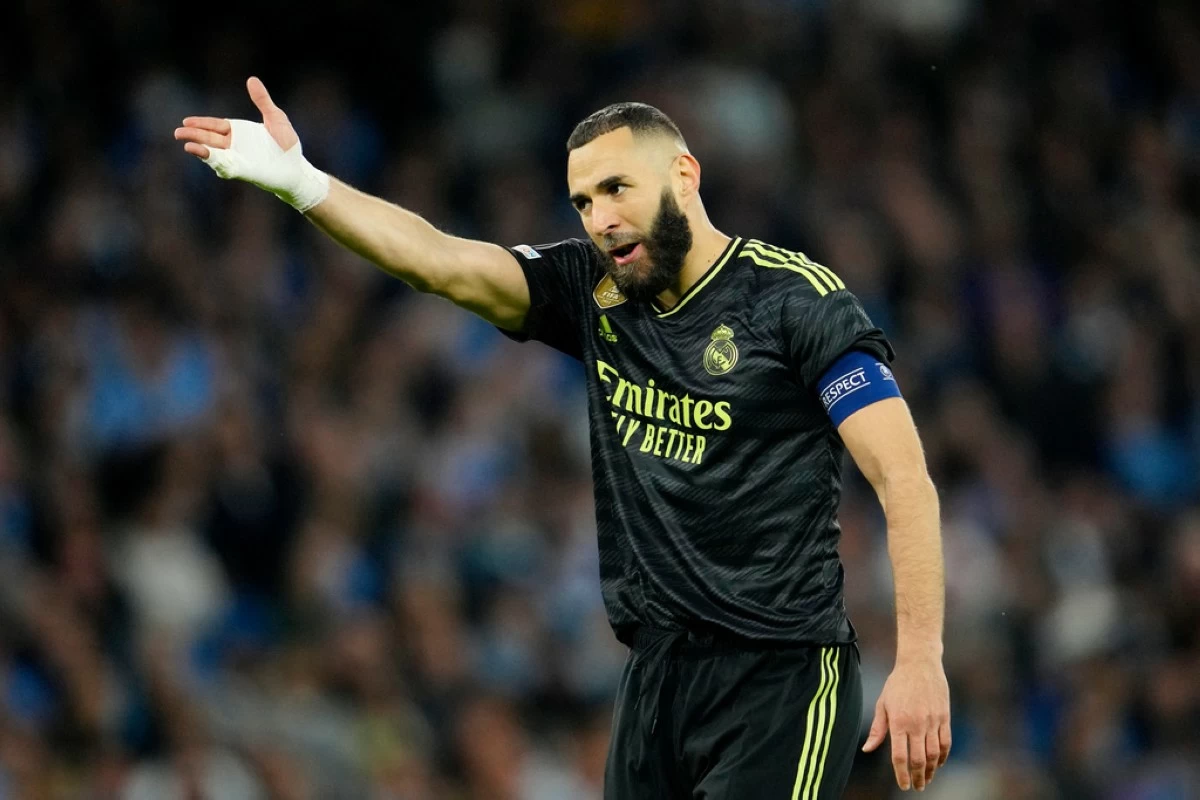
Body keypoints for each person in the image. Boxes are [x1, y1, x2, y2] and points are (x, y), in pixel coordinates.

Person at [175, 76, 951, 798]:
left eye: (617, 189)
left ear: (684, 176)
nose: (600, 219)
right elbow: (440, 261)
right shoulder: (592, 289)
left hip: (781, 676)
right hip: (654, 680)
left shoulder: (795, 302)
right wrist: (304, 183)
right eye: (582, 201)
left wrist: (920, 660)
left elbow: (903, 479)